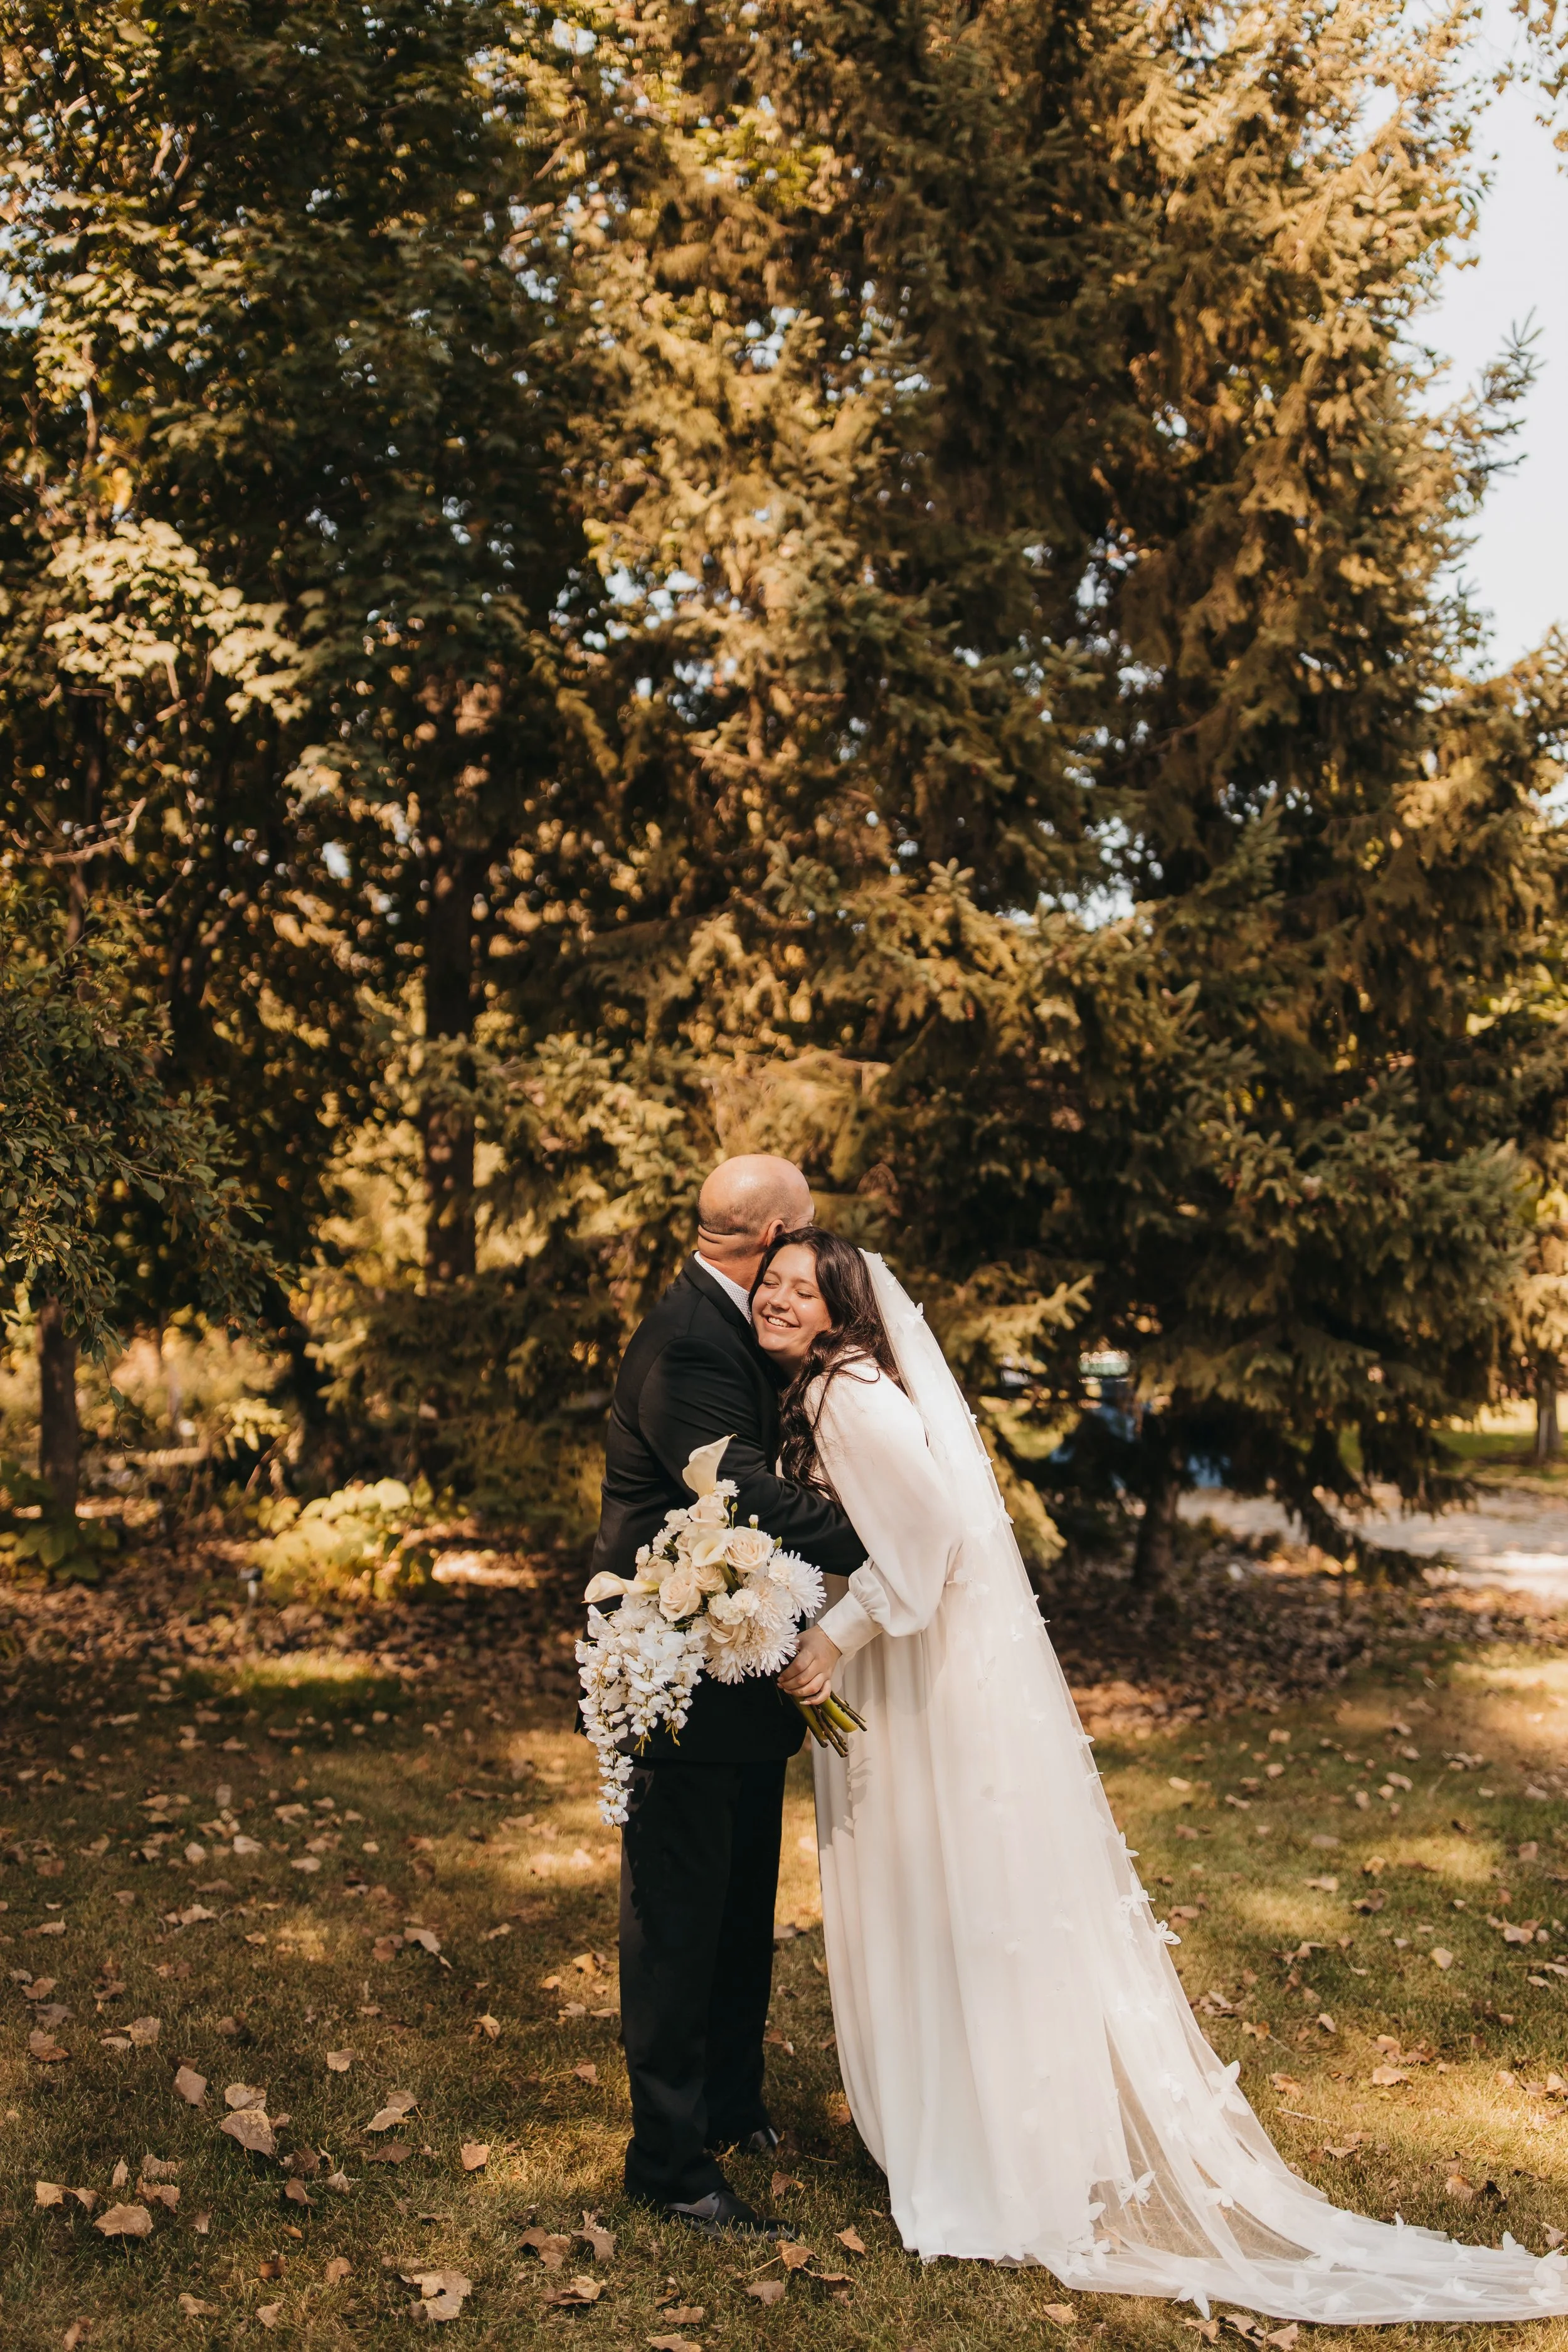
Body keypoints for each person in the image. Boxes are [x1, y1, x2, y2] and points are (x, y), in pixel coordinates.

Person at [763, 1228, 1568, 2326]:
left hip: (906, 1667)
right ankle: (987, 2140)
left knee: (938, 1892)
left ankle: (975, 2159)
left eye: (802, 1287)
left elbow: (935, 1529)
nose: (777, 1297)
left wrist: (839, 1635)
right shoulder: (842, 1383)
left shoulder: (842, 1391)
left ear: (846, 1307)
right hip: (918, 1668)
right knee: (963, 1897)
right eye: (770, 1282)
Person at [590, 1155, 869, 2240]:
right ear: (775, 1234)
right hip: (677, 1678)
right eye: (803, 1236)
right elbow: (741, 1488)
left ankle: (728, 2102)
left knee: (742, 1905)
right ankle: (667, 2160)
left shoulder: (728, 1323)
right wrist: (877, 1539)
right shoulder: (689, 1341)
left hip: (742, 1667)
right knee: (678, 1918)